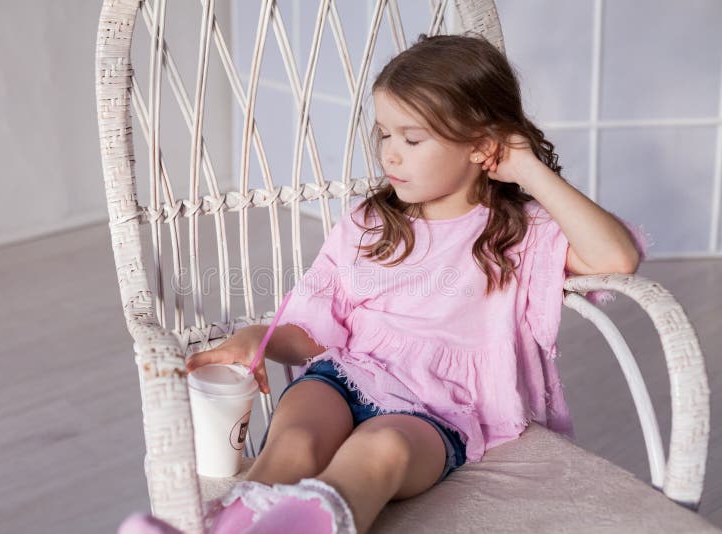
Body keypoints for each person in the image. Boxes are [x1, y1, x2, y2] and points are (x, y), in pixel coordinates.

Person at [118, 33, 650, 534]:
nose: (390, 153)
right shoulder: (370, 223)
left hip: (439, 411)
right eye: (386, 134)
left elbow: (616, 257)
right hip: (347, 374)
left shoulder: (520, 232)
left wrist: (526, 168)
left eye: (412, 138)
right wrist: (261, 337)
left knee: (380, 452)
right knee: (295, 442)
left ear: (480, 145)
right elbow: (314, 329)